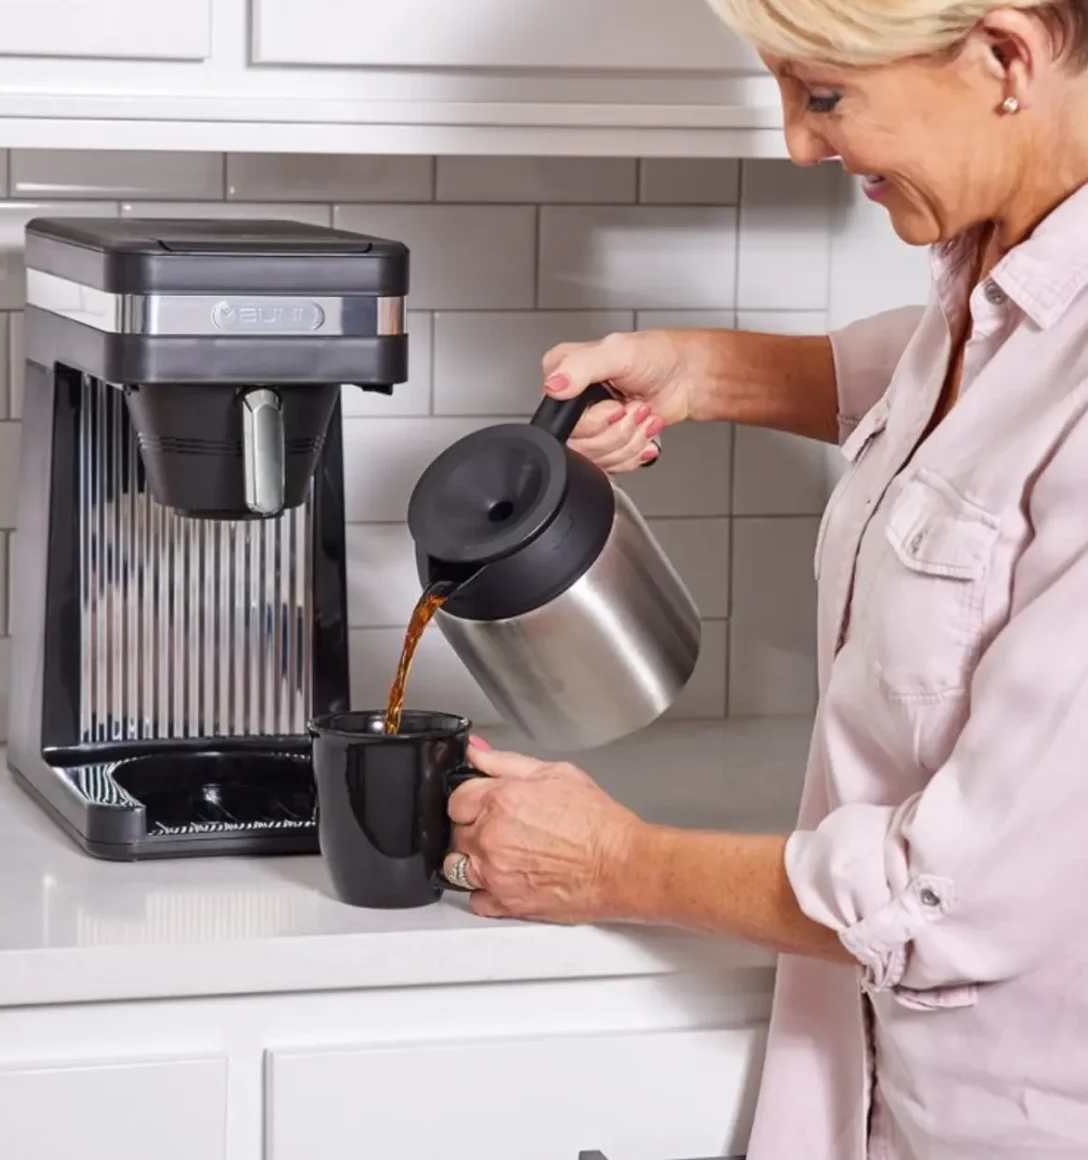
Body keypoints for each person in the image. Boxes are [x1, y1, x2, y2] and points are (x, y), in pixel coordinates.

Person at [441, 2, 1088, 1157]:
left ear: (1003, 58)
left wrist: (608, 861)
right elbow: (946, 387)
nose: (797, 141)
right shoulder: (997, 262)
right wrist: (696, 369)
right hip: (869, 1070)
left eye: (824, 95)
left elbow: (945, 895)